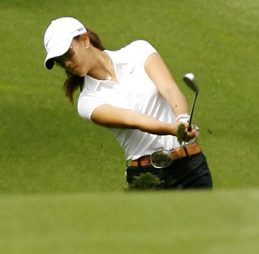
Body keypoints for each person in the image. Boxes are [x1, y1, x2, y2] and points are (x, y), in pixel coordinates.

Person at [43, 16, 213, 189]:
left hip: (192, 167)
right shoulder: (87, 102)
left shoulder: (138, 51)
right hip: (147, 177)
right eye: (60, 62)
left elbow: (169, 89)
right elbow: (134, 120)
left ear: (85, 40)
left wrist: (182, 119)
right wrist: (174, 129)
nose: (67, 64)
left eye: (68, 54)